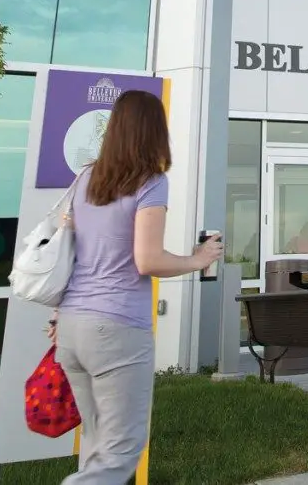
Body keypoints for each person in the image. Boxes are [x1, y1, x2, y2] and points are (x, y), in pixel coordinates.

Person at [50, 90, 223, 484]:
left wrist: (59, 312)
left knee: (96, 447)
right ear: (154, 132)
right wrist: (196, 260)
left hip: (72, 325)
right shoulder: (150, 182)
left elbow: (70, 252)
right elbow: (147, 260)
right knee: (121, 452)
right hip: (116, 330)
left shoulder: (86, 178)